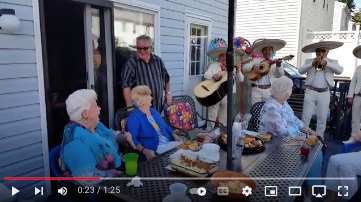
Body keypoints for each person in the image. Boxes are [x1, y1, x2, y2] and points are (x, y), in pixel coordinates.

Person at [258, 76, 323, 202]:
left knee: (316, 150)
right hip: (278, 144)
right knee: (315, 152)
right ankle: (308, 194)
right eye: (291, 88)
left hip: (292, 140)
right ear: (287, 92)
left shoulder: (283, 103)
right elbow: (283, 134)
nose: (292, 90)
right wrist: (306, 140)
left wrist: (310, 131)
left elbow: (295, 120)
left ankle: (307, 191)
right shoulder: (271, 107)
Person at [60, 89, 135, 186]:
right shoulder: (74, 140)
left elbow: (111, 134)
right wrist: (120, 176)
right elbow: (88, 178)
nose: (99, 108)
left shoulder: (96, 125)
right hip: (101, 189)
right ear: (85, 113)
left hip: (119, 172)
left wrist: (124, 137)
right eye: (96, 106)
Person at [298, 41, 344, 138]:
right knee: (306, 117)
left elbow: (340, 70)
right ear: (315, 52)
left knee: (322, 119)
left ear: (327, 51)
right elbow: (300, 70)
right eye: (318, 51)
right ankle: (302, 138)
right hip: (310, 91)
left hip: (324, 92)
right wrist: (312, 63)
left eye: (323, 51)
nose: (321, 53)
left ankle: (319, 140)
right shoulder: (309, 61)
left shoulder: (333, 62)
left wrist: (326, 63)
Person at [126, 85, 183, 160]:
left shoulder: (153, 111)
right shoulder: (134, 118)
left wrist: (175, 135)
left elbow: (165, 126)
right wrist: (145, 151)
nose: (151, 98)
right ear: (141, 100)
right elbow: (133, 140)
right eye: (149, 96)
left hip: (168, 143)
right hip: (154, 150)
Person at [121, 35, 172, 112]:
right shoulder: (131, 64)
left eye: (145, 48)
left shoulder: (158, 61)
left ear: (151, 48)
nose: (142, 51)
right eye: (139, 48)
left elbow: (166, 79)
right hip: (140, 109)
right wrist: (130, 106)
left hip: (157, 107)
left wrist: (168, 93)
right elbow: (126, 87)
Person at [203, 39, 244, 130]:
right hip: (214, 94)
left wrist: (237, 70)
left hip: (227, 94)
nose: (224, 57)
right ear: (218, 57)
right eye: (222, 55)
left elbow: (240, 80)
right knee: (212, 117)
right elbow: (206, 75)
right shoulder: (213, 65)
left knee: (224, 117)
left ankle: (221, 136)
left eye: (226, 55)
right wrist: (213, 75)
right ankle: (209, 135)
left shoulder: (233, 67)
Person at [243, 39, 286, 105]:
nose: (267, 51)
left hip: (269, 91)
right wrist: (253, 67)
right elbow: (244, 68)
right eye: (265, 50)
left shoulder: (275, 62)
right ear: (262, 51)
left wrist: (278, 66)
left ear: (272, 51)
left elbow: (281, 75)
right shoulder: (256, 60)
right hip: (256, 90)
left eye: (269, 49)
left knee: (268, 112)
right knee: (256, 112)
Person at [344, 45, 361, 143]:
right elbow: (353, 83)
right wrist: (350, 96)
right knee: (355, 118)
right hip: (358, 96)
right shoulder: (358, 68)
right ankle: (353, 137)